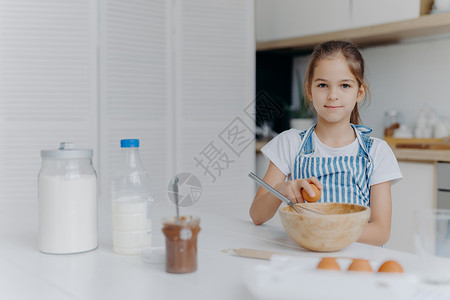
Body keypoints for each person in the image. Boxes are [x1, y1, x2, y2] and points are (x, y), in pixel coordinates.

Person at [249, 40, 402, 246]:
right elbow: (257, 215)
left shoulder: (376, 152)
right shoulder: (290, 143)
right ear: (309, 91)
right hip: (304, 256)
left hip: (356, 263)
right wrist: (282, 189)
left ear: (359, 92)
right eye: (322, 85)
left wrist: (325, 228)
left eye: (345, 85)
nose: (332, 95)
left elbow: (380, 232)